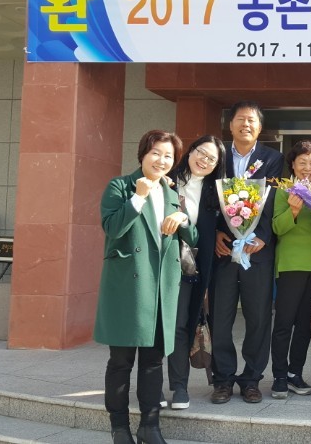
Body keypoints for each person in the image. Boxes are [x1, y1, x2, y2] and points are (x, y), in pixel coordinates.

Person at [94, 130, 197, 444]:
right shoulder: (120, 186)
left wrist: (183, 220)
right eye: (156, 153)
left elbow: (193, 238)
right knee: (121, 361)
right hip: (129, 288)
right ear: (143, 154)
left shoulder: (171, 192)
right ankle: (119, 428)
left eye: (168, 156)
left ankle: (150, 427)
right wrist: (137, 196)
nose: (161, 160)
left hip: (161, 288)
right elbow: (112, 227)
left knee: (153, 362)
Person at [210, 101, 284, 405]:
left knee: (258, 318)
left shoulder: (273, 158)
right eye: (240, 119)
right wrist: (215, 232)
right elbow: (208, 198)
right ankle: (223, 379)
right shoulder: (217, 155)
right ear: (230, 125)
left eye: (251, 120)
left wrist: (263, 236)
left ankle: (251, 379)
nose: (246, 124)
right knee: (220, 318)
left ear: (260, 127)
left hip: (258, 250)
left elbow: (273, 198)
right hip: (223, 249)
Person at [166, 135, 226, 410]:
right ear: (190, 151)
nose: (204, 160)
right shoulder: (167, 180)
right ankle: (151, 385)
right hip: (160, 264)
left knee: (181, 325)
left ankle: (179, 386)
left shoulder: (216, 194)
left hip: (190, 269)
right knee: (157, 327)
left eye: (212, 159)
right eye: (201, 152)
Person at [269, 140, 311, 399]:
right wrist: (293, 210)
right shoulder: (284, 190)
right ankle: (279, 376)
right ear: (292, 164)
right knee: (284, 322)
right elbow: (277, 228)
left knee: (305, 325)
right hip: (291, 264)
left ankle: (295, 373)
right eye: (302, 162)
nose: (308, 167)